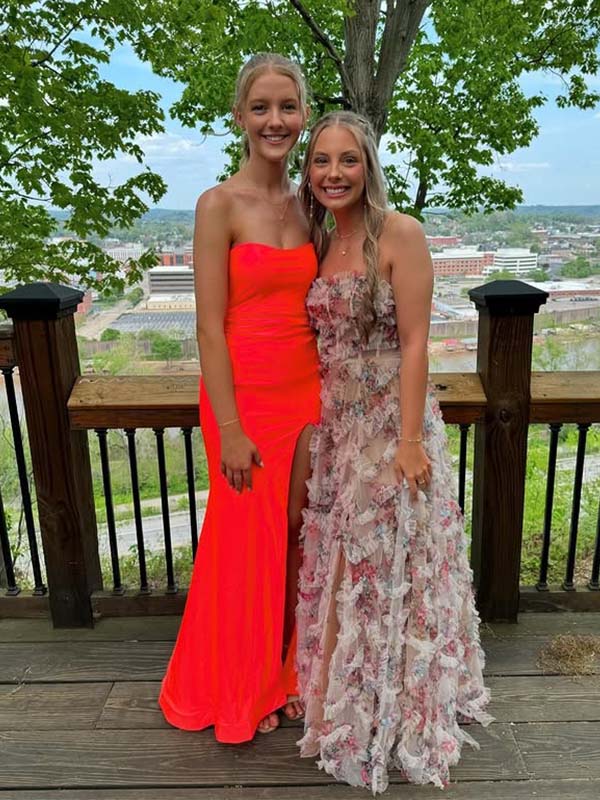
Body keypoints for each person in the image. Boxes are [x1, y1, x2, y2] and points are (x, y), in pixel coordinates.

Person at [295, 111, 492, 793]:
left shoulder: (397, 233)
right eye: (321, 161)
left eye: (348, 160)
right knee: (349, 559)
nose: (334, 173)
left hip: (391, 426)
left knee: (393, 558)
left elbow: (414, 342)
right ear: (309, 170)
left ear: (369, 165)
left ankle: (397, 702)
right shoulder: (319, 238)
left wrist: (409, 441)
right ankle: (346, 698)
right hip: (337, 429)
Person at [159, 53, 320, 742]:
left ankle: (288, 676)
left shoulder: (312, 203)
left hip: (309, 395)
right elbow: (206, 325)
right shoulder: (217, 205)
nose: (275, 121)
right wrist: (227, 426)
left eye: (287, 107)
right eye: (261, 108)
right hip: (242, 399)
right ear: (240, 118)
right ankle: (239, 687)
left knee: (298, 538)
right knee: (244, 544)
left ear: (304, 115)